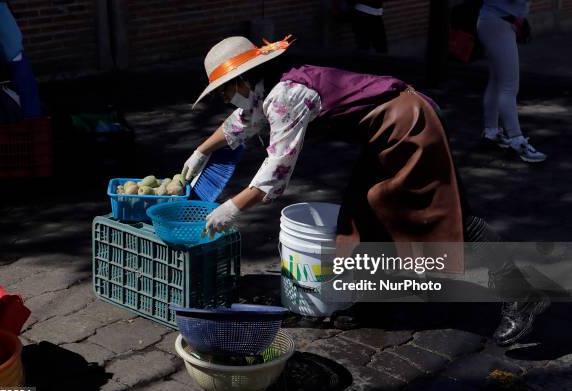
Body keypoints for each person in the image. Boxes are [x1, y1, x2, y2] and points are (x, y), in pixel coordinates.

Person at [183, 35, 549, 346]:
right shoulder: (266, 90)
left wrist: (230, 208)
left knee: (444, 215)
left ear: (243, 81)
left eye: (225, 91)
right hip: (386, 132)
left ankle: (521, 294)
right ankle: (374, 302)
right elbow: (240, 124)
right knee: (363, 213)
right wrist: (201, 151)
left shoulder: (285, 96)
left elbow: (275, 173)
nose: (225, 99)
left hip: (409, 126)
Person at [477, 0, 546, 162]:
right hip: (497, 24)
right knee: (509, 86)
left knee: (496, 81)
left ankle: (491, 132)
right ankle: (517, 141)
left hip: (495, 22)